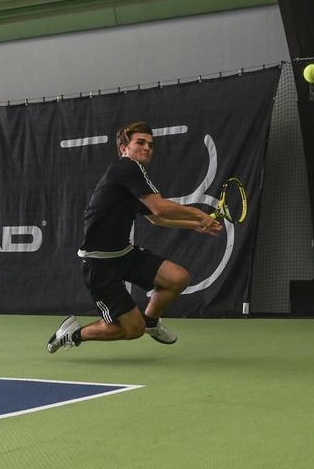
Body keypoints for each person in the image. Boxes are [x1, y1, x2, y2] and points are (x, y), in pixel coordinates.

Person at [46, 120, 222, 353]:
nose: (147, 147)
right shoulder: (126, 167)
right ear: (124, 148)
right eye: (140, 142)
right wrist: (200, 214)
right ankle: (72, 334)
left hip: (124, 254)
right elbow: (160, 208)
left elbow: (154, 218)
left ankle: (151, 321)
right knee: (131, 330)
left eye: (150, 144)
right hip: (100, 265)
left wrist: (193, 225)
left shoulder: (132, 178)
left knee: (178, 278)